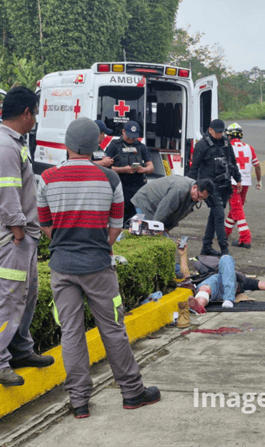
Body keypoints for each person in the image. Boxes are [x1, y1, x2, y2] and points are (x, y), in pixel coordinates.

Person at [37, 117, 160, 419]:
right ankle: (132, 393)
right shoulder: (110, 178)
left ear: (66, 145)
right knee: (113, 329)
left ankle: (79, 401)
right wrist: (98, 245)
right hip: (98, 266)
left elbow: (45, 225)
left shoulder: (48, 178)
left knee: (71, 334)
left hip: (62, 267)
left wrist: (67, 241)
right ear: (96, 146)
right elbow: (116, 227)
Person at [0, 86, 54, 387]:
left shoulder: (11, 142)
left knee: (26, 295)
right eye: (35, 113)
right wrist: (19, 232)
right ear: (26, 113)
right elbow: (6, 193)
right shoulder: (4, 147)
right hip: (13, 240)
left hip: (22, 239)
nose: (35, 120)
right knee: (8, 298)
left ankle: (21, 349)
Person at [175, 241, 265, 315]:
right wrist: (183, 255)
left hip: (222, 290)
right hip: (208, 287)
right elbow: (187, 277)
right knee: (205, 288)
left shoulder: (239, 278)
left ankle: (228, 299)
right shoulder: (207, 275)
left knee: (226, 258)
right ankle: (199, 306)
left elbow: (260, 284)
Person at [187, 119, 242, 256]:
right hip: (209, 187)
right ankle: (224, 249)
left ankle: (206, 246)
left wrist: (238, 179)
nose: (219, 135)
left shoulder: (225, 142)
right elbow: (194, 168)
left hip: (224, 185)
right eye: (217, 132)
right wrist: (191, 186)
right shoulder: (202, 145)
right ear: (210, 130)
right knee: (219, 216)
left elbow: (232, 163)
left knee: (214, 216)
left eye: (221, 132)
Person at [104, 121, 154, 222]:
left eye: (134, 137)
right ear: (123, 132)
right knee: (120, 217)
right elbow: (106, 168)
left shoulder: (141, 147)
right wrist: (122, 170)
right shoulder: (114, 146)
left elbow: (151, 166)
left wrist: (144, 169)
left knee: (138, 218)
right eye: (129, 136)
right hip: (121, 187)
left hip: (138, 187)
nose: (131, 139)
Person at [224, 123, 261, 249]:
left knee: (237, 210)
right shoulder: (249, 148)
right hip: (246, 182)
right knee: (236, 208)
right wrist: (259, 181)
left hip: (233, 183)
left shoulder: (228, 147)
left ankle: (245, 238)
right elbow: (257, 165)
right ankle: (225, 233)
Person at [130, 176, 214, 233]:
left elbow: (178, 215)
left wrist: (167, 227)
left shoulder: (193, 194)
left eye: (202, 199)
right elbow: (164, 210)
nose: (199, 200)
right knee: (143, 234)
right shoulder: (179, 190)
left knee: (158, 234)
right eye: (199, 196)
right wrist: (155, 229)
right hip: (145, 202)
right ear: (195, 187)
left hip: (156, 207)